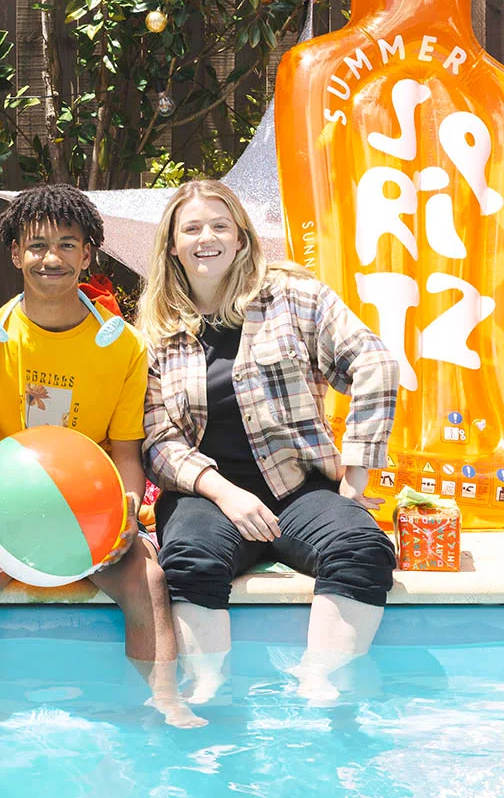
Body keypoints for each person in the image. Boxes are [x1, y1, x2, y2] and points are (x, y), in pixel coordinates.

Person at [0, 183, 194, 728]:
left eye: (68, 245)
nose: (52, 258)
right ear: (16, 254)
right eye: (38, 245)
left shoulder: (121, 345)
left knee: (152, 582)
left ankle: (163, 701)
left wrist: (126, 517)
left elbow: (126, 456)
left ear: (89, 254)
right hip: (1, 522)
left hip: (89, 522)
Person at [137, 180, 398, 703]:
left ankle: (320, 681)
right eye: (191, 228)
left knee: (362, 548)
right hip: (207, 496)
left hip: (297, 488)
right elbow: (157, 438)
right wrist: (223, 492)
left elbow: (376, 363)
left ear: (240, 239)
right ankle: (209, 687)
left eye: (219, 225)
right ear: (172, 244)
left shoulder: (295, 297)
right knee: (187, 559)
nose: (205, 237)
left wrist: (357, 474)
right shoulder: (154, 331)